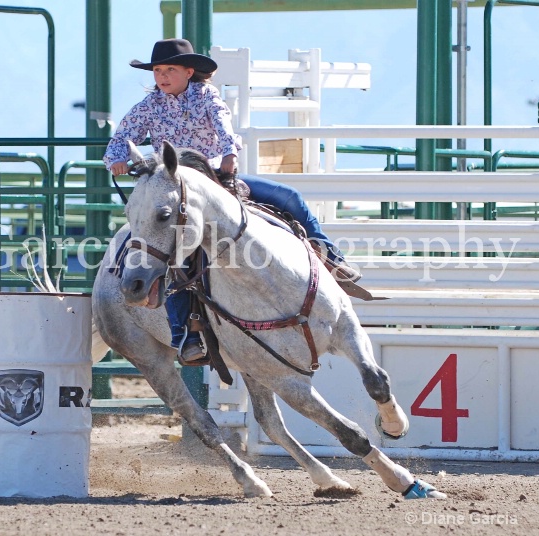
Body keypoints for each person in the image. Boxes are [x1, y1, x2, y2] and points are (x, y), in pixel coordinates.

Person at [104, 38, 359, 363]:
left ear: (189, 72)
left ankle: (329, 257)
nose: (162, 76)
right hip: (174, 190)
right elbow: (120, 139)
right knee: (175, 255)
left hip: (214, 182)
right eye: (157, 70)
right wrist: (116, 159)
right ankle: (185, 333)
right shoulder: (149, 106)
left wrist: (229, 152)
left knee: (289, 197)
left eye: (170, 69)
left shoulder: (206, 97)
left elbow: (223, 124)